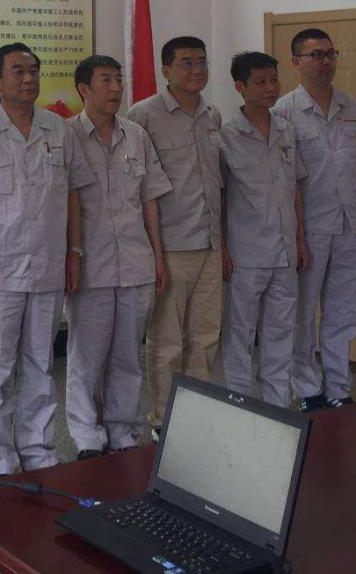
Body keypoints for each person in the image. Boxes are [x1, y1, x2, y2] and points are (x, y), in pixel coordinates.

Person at [0, 42, 94, 476]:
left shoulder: (59, 129)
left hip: (49, 265)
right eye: (18, 71)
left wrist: (74, 252)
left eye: (34, 70)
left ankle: (39, 450)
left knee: (41, 364)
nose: (29, 78)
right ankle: (0, 459)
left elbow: (72, 195)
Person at [64, 56, 171, 459]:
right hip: (90, 264)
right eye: (105, 80)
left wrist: (158, 257)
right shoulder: (67, 136)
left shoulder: (136, 135)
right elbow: (62, 203)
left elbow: (149, 201)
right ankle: (87, 435)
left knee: (128, 355)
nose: (115, 88)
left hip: (136, 262)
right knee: (87, 356)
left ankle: (123, 430)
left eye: (118, 79)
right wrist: (70, 256)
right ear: (84, 89)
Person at [273, 28, 356, 412]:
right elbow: (284, 181)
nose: (326, 62)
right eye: (316, 55)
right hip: (308, 229)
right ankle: (307, 388)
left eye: (331, 54)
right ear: (296, 62)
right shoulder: (283, 112)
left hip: (350, 225)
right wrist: (295, 237)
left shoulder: (353, 108)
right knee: (302, 311)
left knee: (344, 312)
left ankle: (338, 387)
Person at [130, 36, 224, 435]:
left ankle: (196, 416)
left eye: (202, 62)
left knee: (205, 336)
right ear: (165, 69)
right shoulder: (143, 116)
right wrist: (151, 252)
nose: (197, 70)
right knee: (167, 339)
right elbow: (134, 187)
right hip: (169, 244)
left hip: (210, 242)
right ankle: (165, 420)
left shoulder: (212, 114)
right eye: (187, 63)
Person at [219, 51, 309, 408]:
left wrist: (300, 240)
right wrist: (222, 249)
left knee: (281, 332)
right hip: (245, 253)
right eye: (261, 82)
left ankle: (277, 406)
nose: (271, 88)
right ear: (240, 87)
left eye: (274, 80)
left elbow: (294, 188)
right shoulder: (226, 135)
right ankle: (240, 405)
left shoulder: (286, 129)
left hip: (285, 252)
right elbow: (219, 197)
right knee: (240, 334)